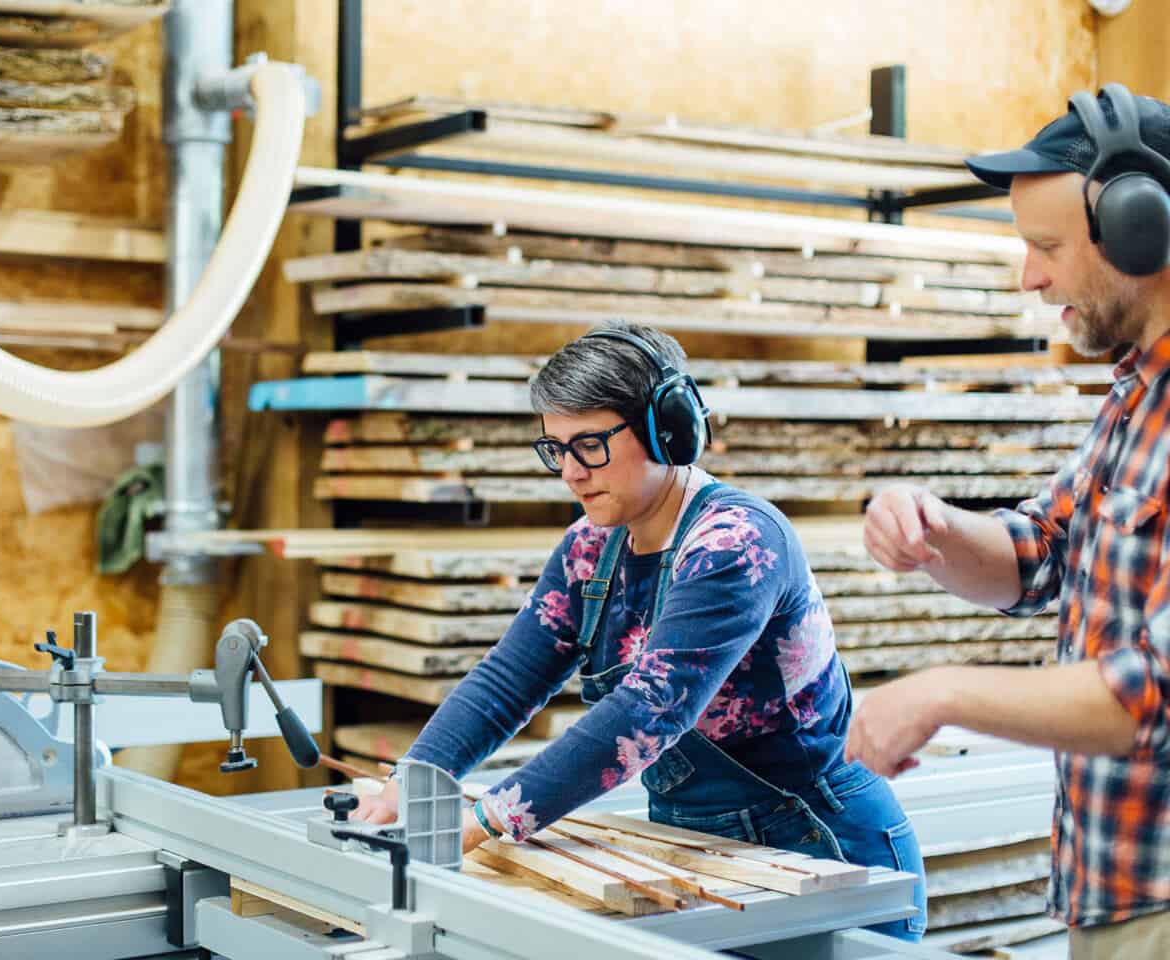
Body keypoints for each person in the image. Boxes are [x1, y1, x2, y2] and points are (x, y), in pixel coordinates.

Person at [352, 320, 927, 940]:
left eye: (590, 444)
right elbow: (507, 681)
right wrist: (414, 780)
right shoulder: (590, 550)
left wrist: (489, 819)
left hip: (817, 848)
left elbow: (650, 709)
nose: (571, 472)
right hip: (688, 848)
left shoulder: (735, 542)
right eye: (555, 448)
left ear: (669, 430)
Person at [848, 84, 1170, 959]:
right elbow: (1043, 552)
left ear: (1141, 227)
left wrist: (940, 693)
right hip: (1115, 888)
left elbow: (1153, 693)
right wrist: (935, 530)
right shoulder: (1139, 393)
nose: (1029, 276)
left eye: (1046, 246)